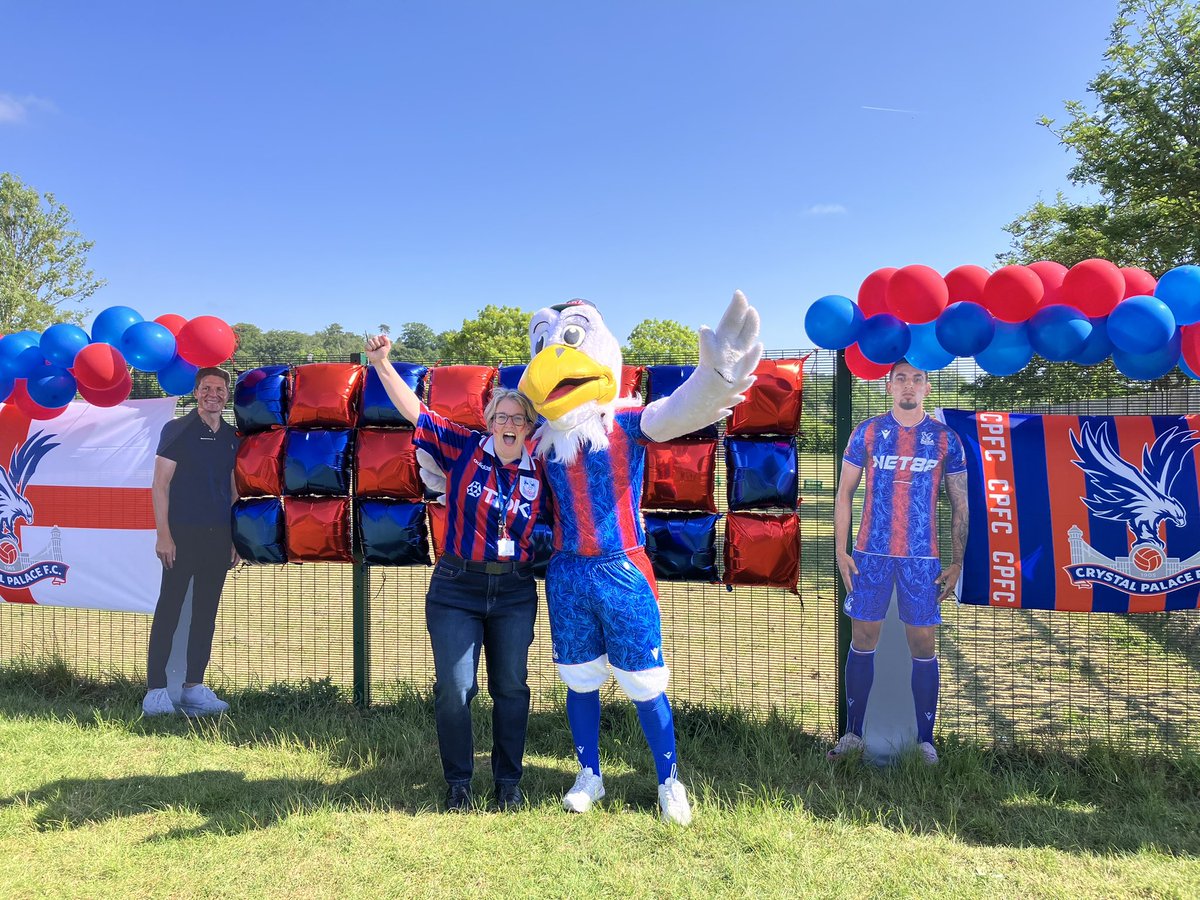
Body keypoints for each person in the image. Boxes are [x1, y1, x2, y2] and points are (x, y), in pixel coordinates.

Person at [365, 334, 545, 813]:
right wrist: (382, 365)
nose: (509, 424)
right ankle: (459, 784)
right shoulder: (464, 448)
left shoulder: (541, 470)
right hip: (456, 589)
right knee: (455, 688)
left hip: (513, 591)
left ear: (529, 427)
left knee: (511, 687)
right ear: (488, 421)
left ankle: (508, 782)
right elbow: (416, 412)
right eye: (501, 416)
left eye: (518, 418)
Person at [830, 360, 968, 764]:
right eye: (902, 379)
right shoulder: (867, 432)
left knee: (922, 642)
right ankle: (853, 734)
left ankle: (926, 742)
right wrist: (841, 551)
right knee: (863, 638)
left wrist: (957, 562)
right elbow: (844, 496)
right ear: (889, 387)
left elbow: (961, 505)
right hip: (869, 555)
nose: (909, 385)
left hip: (922, 559)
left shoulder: (945, 439)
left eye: (918, 379)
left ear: (927, 388)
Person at [143, 367, 240, 717]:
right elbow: (160, 485)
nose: (213, 394)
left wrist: (235, 537)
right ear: (196, 393)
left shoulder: (232, 435)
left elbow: (233, 488)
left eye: (220, 389)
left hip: (218, 538)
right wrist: (163, 534)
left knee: (205, 613)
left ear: (226, 395)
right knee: (168, 610)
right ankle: (155, 692)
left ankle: (194, 688)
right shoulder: (177, 430)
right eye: (207, 388)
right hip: (181, 536)